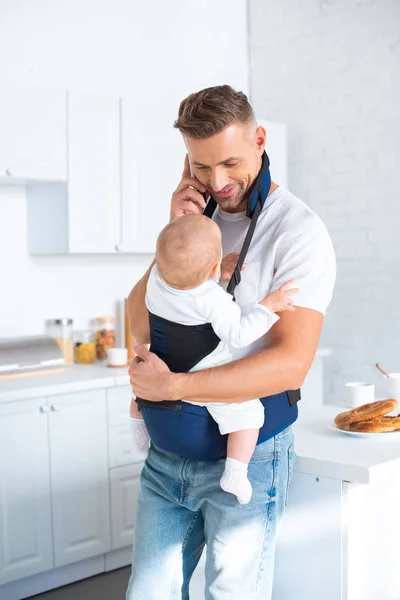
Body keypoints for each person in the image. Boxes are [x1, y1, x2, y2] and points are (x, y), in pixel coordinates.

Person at [126, 85, 336, 600]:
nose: (216, 182)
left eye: (229, 163)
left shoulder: (299, 233)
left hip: (248, 458)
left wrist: (173, 384)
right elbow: (138, 324)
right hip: (167, 456)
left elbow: (289, 365)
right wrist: (179, 230)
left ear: (260, 140)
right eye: (200, 167)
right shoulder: (195, 225)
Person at [130, 213, 298, 505]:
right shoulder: (211, 298)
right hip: (203, 366)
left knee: (142, 390)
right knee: (248, 414)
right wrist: (268, 306)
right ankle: (235, 470)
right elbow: (239, 334)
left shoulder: (156, 281)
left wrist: (213, 274)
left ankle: (138, 430)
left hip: (164, 360)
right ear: (213, 266)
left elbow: (182, 283)